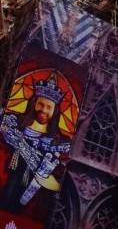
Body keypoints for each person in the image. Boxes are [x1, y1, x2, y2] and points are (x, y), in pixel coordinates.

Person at [0, 74, 69, 215]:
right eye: (41, 104)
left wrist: (52, 183)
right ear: (34, 103)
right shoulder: (12, 123)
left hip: (29, 210)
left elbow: (59, 179)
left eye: (49, 107)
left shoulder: (59, 143)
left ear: (55, 111)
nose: (44, 110)